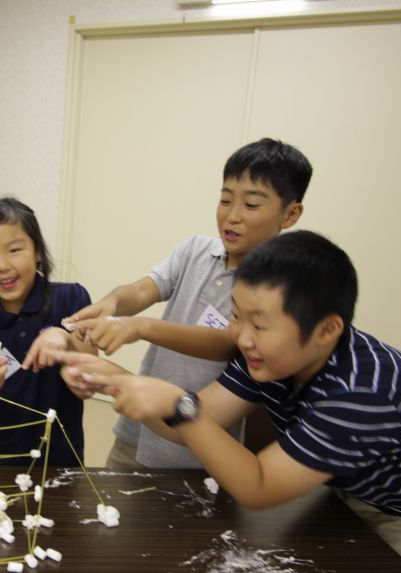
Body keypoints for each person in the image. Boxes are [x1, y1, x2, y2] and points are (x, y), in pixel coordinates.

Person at [60, 230, 401, 573]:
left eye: (260, 324)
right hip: (356, 485)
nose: (242, 337)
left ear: (327, 329)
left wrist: (178, 405)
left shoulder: (360, 395)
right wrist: (111, 377)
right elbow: (199, 419)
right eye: (237, 317)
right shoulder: (267, 355)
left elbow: (258, 484)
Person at [66, 137, 311, 469]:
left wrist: (139, 327)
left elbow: (225, 343)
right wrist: (111, 303)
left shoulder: (275, 286)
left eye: (251, 206)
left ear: (290, 213)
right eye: (225, 200)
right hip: (137, 426)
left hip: (196, 446)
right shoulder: (196, 250)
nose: (232, 216)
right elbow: (141, 290)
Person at [0, 197, 97, 466]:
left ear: (36, 250)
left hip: (58, 464)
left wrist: (65, 340)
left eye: (14, 250)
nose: (2, 266)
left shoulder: (71, 300)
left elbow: (90, 383)